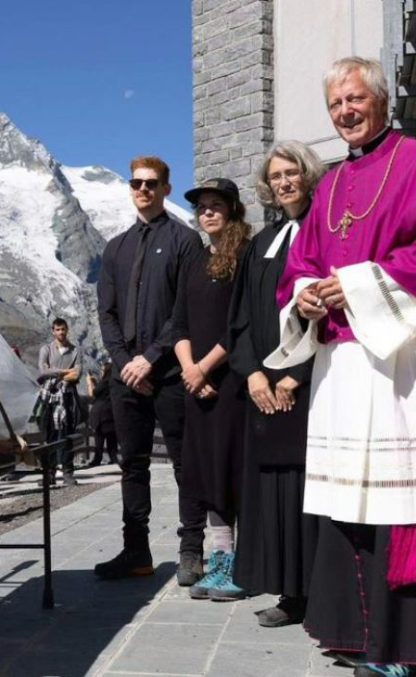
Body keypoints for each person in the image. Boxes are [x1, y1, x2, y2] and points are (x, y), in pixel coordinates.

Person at [266, 57, 416, 676]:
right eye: (335, 104)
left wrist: (362, 286)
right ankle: (359, 634)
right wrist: (308, 295)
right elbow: (300, 268)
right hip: (345, 369)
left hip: (409, 367)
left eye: (353, 99)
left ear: (381, 100)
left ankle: (411, 643)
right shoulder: (332, 186)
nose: (344, 112)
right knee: (354, 504)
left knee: (405, 502)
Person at [95, 156, 206, 583]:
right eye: (137, 183)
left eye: (152, 183)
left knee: (184, 462)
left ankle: (191, 550)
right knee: (132, 464)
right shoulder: (115, 248)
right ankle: (136, 552)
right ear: (130, 188)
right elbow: (106, 313)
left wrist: (151, 358)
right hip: (127, 378)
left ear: (166, 188)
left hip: (169, 374)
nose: (143, 189)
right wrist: (125, 364)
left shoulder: (184, 241)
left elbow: (184, 311)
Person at [228, 142, 325, 626]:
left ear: (308, 176)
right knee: (269, 492)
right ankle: (288, 593)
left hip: (309, 387)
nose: (284, 182)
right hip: (262, 389)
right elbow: (240, 318)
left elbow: (327, 316)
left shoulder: (325, 232)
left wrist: (294, 375)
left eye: (292, 173)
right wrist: (252, 374)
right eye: (276, 176)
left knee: (306, 489)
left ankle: (317, 592)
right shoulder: (259, 243)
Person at [171, 178, 251, 601]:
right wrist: (189, 369)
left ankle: (239, 562)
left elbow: (240, 324)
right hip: (196, 382)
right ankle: (220, 557)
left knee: (229, 470)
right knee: (205, 472)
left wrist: (203, 368)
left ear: (232, 209)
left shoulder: (244, 257)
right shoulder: (195, 261)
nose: (208, 212)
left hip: (230, 382)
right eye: (202, 206)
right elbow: (179, 322)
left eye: (216, 205)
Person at [36, 317, 82, 486]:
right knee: (50, 435)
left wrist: (54, 372)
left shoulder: (75, 350)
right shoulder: (46, 349)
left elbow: (77, 374)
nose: (60, 332)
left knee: (67, 434)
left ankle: (68, 473)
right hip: (50, 398)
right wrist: (65, 371)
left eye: (63, 329)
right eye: (57, 329)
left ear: (67, 330)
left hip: (68, 397)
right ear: (52, 331)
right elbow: (42, 371)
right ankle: (49, 474)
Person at [86, 362, 118, 467]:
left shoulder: (104, 382)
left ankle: (97, 459)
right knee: (111, 437)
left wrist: (89, 383)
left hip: (101, 413)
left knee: (99, 437)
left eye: (102, 370)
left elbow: (93, 394)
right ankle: (114, 458)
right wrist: (96, 383)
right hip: (111, 412)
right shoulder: (113, 381)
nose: (101, 372)